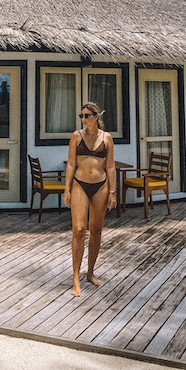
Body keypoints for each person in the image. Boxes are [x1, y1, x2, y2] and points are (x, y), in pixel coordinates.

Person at [64, 102, 116, 296]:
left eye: (86, 116)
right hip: (80, 184)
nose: (83, 119)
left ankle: (90, 272)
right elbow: (70, 164)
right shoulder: (77, 136)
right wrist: (67, 189)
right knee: (78, 229)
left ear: (96, 117)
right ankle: (75, 277)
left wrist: (113, 192)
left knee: (96, 230)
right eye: (81, 116)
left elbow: (110, 167)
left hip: (101, 186)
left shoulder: (107, 138)